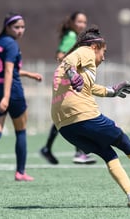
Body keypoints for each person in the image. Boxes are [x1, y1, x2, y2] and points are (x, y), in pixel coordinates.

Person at [51, 26, 130, 207]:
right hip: (83, 114)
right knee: (122, 140)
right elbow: (69, 60)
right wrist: (72, 72)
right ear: (95, 46)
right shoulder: (85, 52)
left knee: (108, 153)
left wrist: (112, 91)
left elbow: (88, 87)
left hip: (64, 126)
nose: (104, 57)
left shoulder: (76, 68)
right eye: (104, 51)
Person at [0, 13, 43, 183]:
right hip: (11, 92)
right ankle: (20, 172)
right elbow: (8, 71)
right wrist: (6, 97)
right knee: (21, 131)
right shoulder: (12, 44)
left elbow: (9, 69)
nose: (20, 30)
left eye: (22, 27)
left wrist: (28, 74)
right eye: (16, 27)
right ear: (7, 27)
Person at [40, 11, 96, 165]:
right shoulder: (71, 37)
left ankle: (49, 148)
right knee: (76, 113)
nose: (82, 25)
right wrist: (71, 70)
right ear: (71, 23)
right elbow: (59, 55)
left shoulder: (75, 37)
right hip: (68, 80)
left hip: (70, 79)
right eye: (79, 22)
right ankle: (79, 152)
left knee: (66, 115)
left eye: (84, 22)